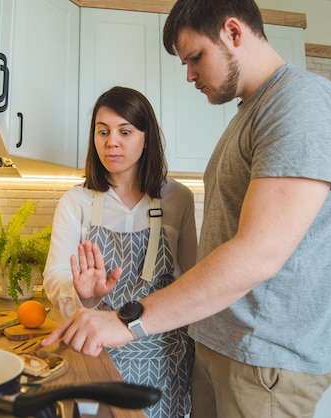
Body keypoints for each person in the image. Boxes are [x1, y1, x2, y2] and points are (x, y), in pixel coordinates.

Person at [42, 1, 331, 417]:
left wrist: (126, 321)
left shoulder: (302, 104)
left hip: (263, 361)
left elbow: (258, 254)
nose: (190, 75)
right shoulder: (249, 115)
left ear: (233, 33)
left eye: (195, 57)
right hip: (218, 348)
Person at [43, 86, 197, 418]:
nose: (111, 141)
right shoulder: (76, 202)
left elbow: (190, 280)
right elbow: (54, 274)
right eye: (103, 131)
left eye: (125, 131)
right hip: (97, 355)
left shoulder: (178, 199)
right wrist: (82, 295)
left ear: (146, 138)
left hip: (164, 359)